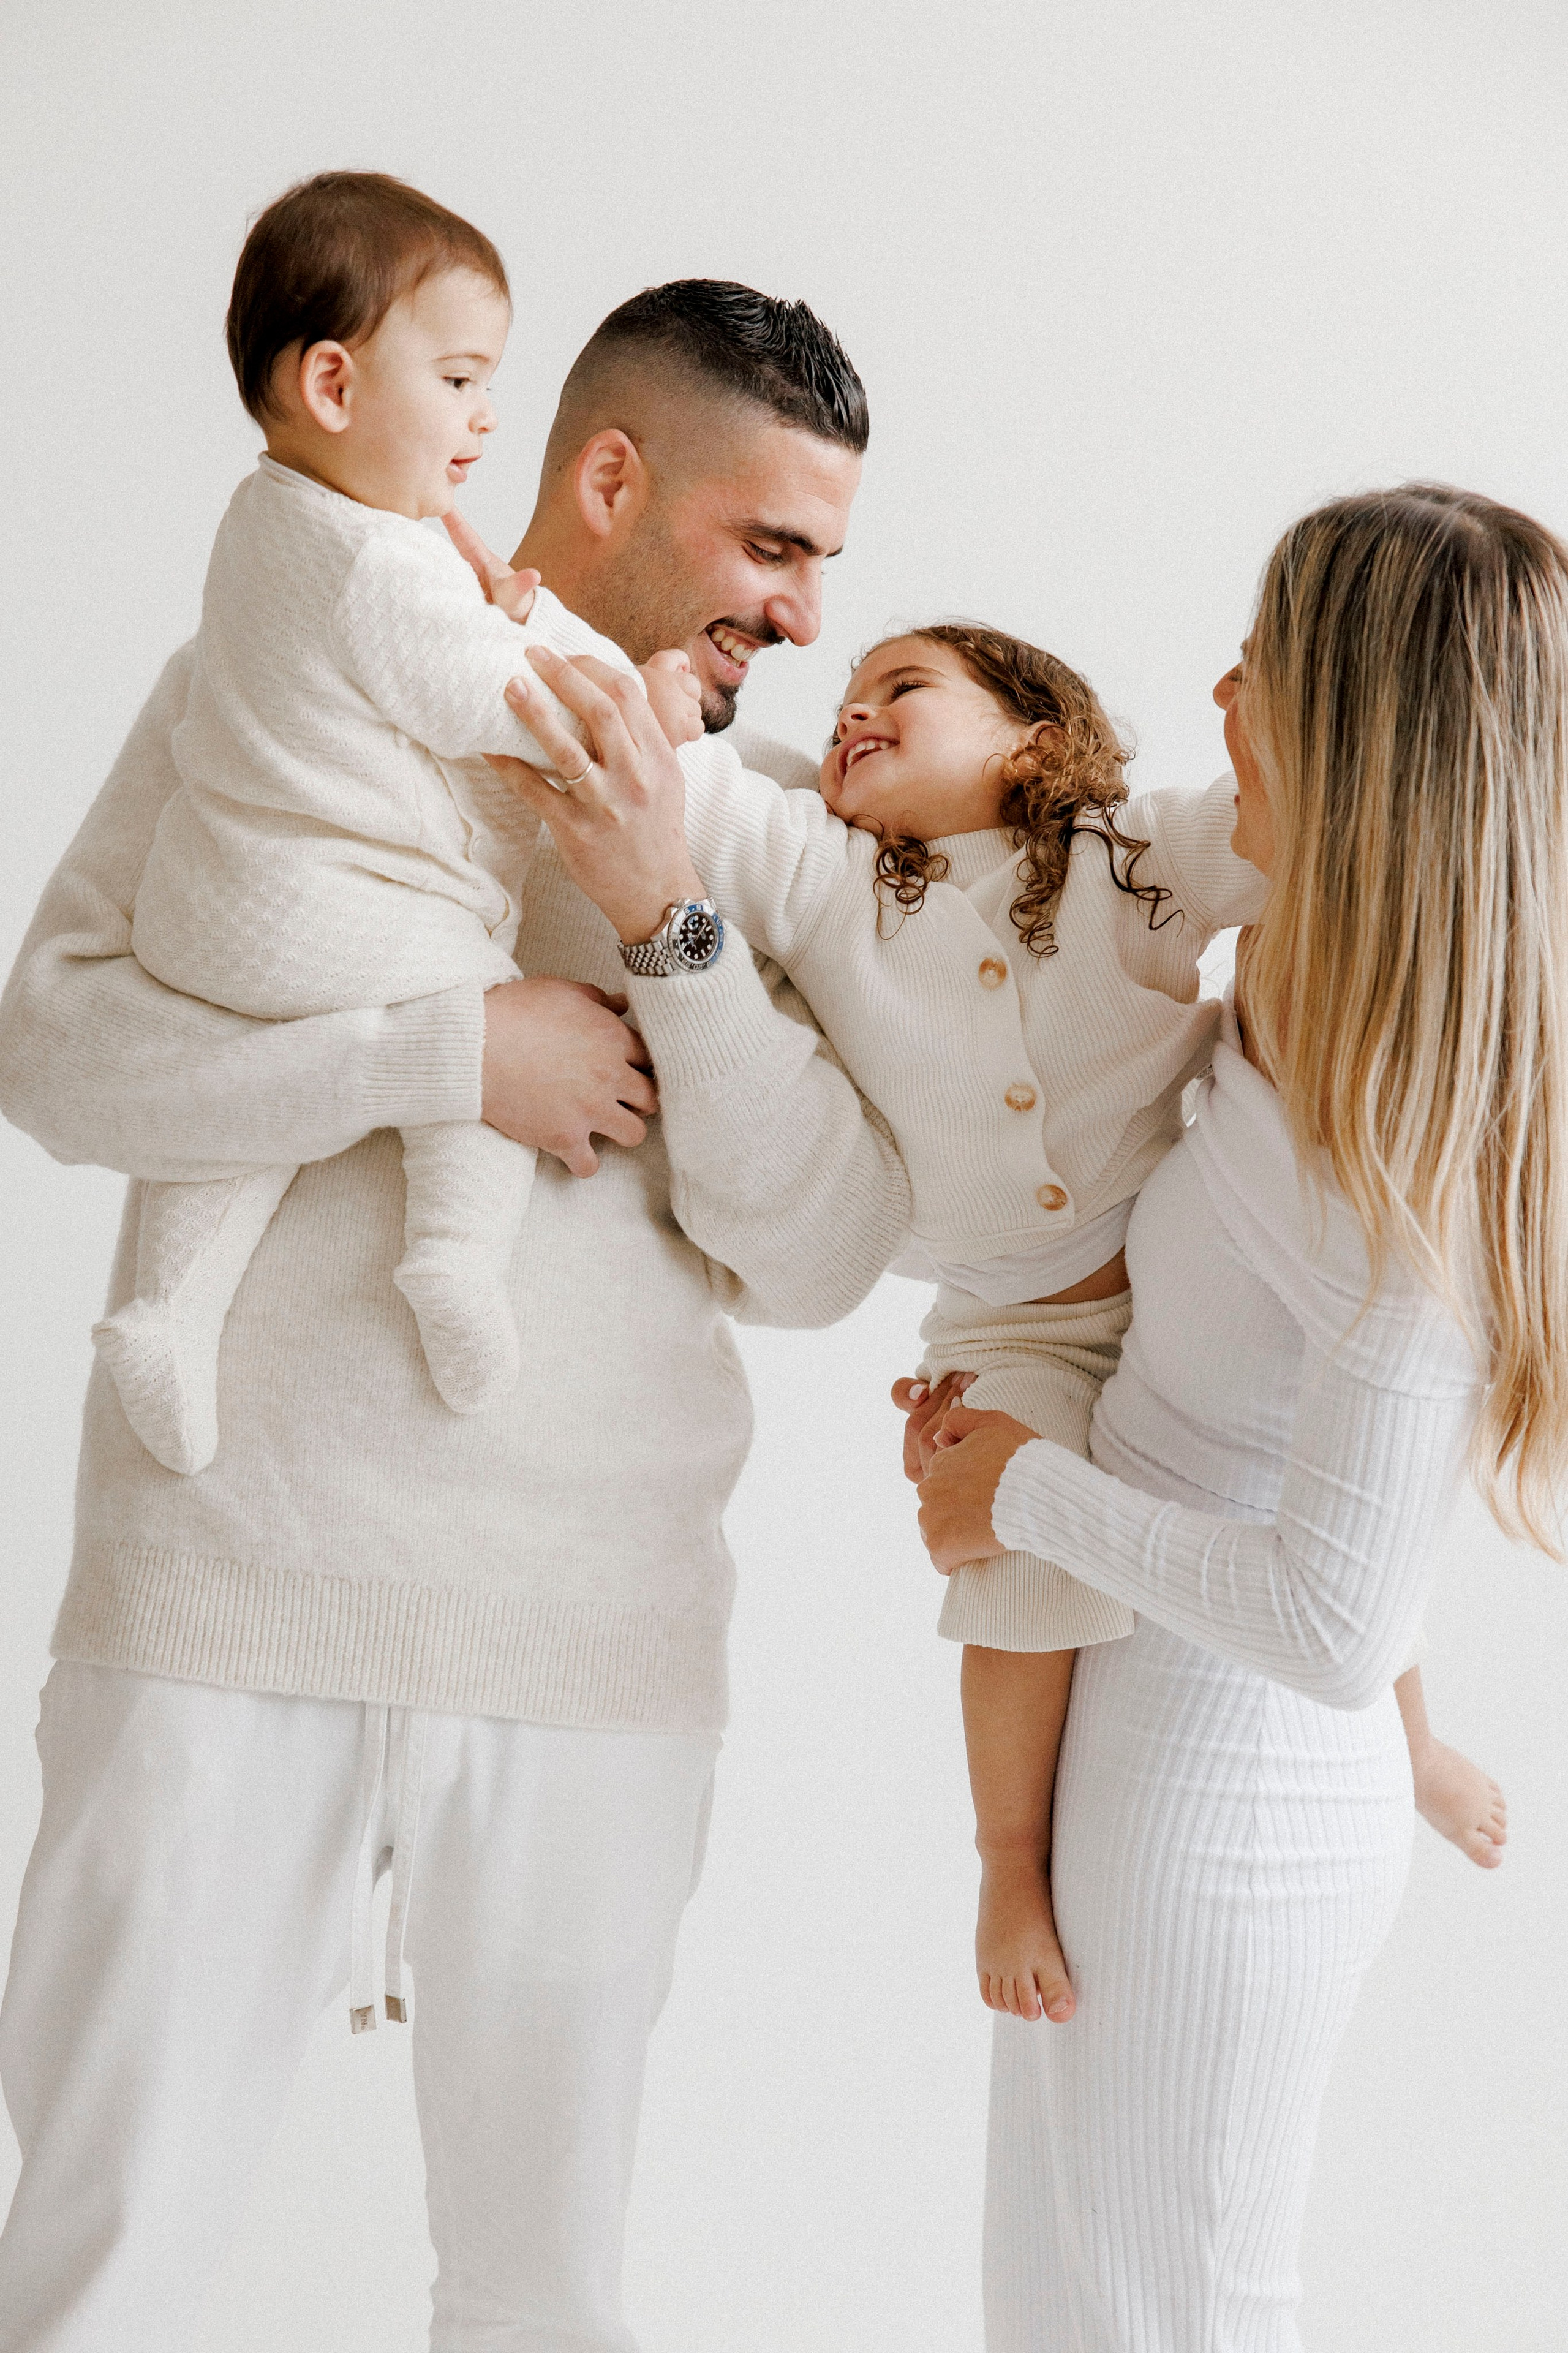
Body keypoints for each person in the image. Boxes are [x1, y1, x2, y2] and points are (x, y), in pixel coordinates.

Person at [0, 197, 902, 2351]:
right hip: (225, 1606)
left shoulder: (768, 830)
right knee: (99, 2276)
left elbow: (821, 1246)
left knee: (542, 2303)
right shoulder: (279, 673)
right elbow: (54, 1046)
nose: (805, 613)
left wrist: (665, 920)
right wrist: (447, 1052)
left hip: (589, 1657)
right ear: (614, 480)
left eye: (822, 565)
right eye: (774, 545)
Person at [487, 609, 1506, 2050]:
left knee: (1314, 1471)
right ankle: (1008, 1862)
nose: (852, 714)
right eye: (842, 705)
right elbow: (692, 796)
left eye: (899, 688)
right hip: (1010, 1322)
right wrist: (586, 660)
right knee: (1013, 1579)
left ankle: (1412, 1741)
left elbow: (1306, 842)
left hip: (1169, 1263)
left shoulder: (1129, 856)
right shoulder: (829, 879)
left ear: (1032, 739)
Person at [910, 484, 1557, 2349]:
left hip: (1231, 1805)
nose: (1217, 697)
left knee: (1172, 2309)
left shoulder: (1397, 1155)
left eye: (1259, 671)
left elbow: (1335, 1624)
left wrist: (1023, 1491)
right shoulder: (1298, 969)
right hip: (1139, 1751)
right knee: (1064, 2306)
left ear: (1348, 742)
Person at [93, 173, 706, 1476]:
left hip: (217, 916)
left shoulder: (267, 516)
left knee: (236, 1134)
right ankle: (454, 1262)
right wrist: (632, 703)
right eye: (462, 380)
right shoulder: (381, 559)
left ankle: (165, 1311)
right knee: (491, 1018)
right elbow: (504, 700)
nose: (488, 417)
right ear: (333, 386)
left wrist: (493, 607)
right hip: (328, 915)